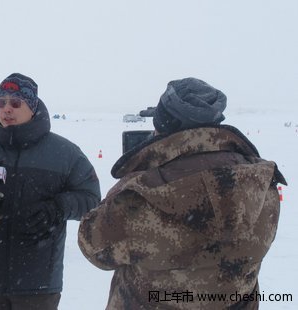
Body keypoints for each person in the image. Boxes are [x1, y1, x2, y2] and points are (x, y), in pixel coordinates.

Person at [78, 77, 286, 309]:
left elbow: (93, 246)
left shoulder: (141, 197)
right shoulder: (262, 183)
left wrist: (129, 185)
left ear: (162, 127)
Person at [0, 73, 101, 310]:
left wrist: (58, 207)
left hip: (38, 284)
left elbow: (92, 200)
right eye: (1, 102)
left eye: (16, 103)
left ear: (33, 106)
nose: (7, 109)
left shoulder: (65, 153)